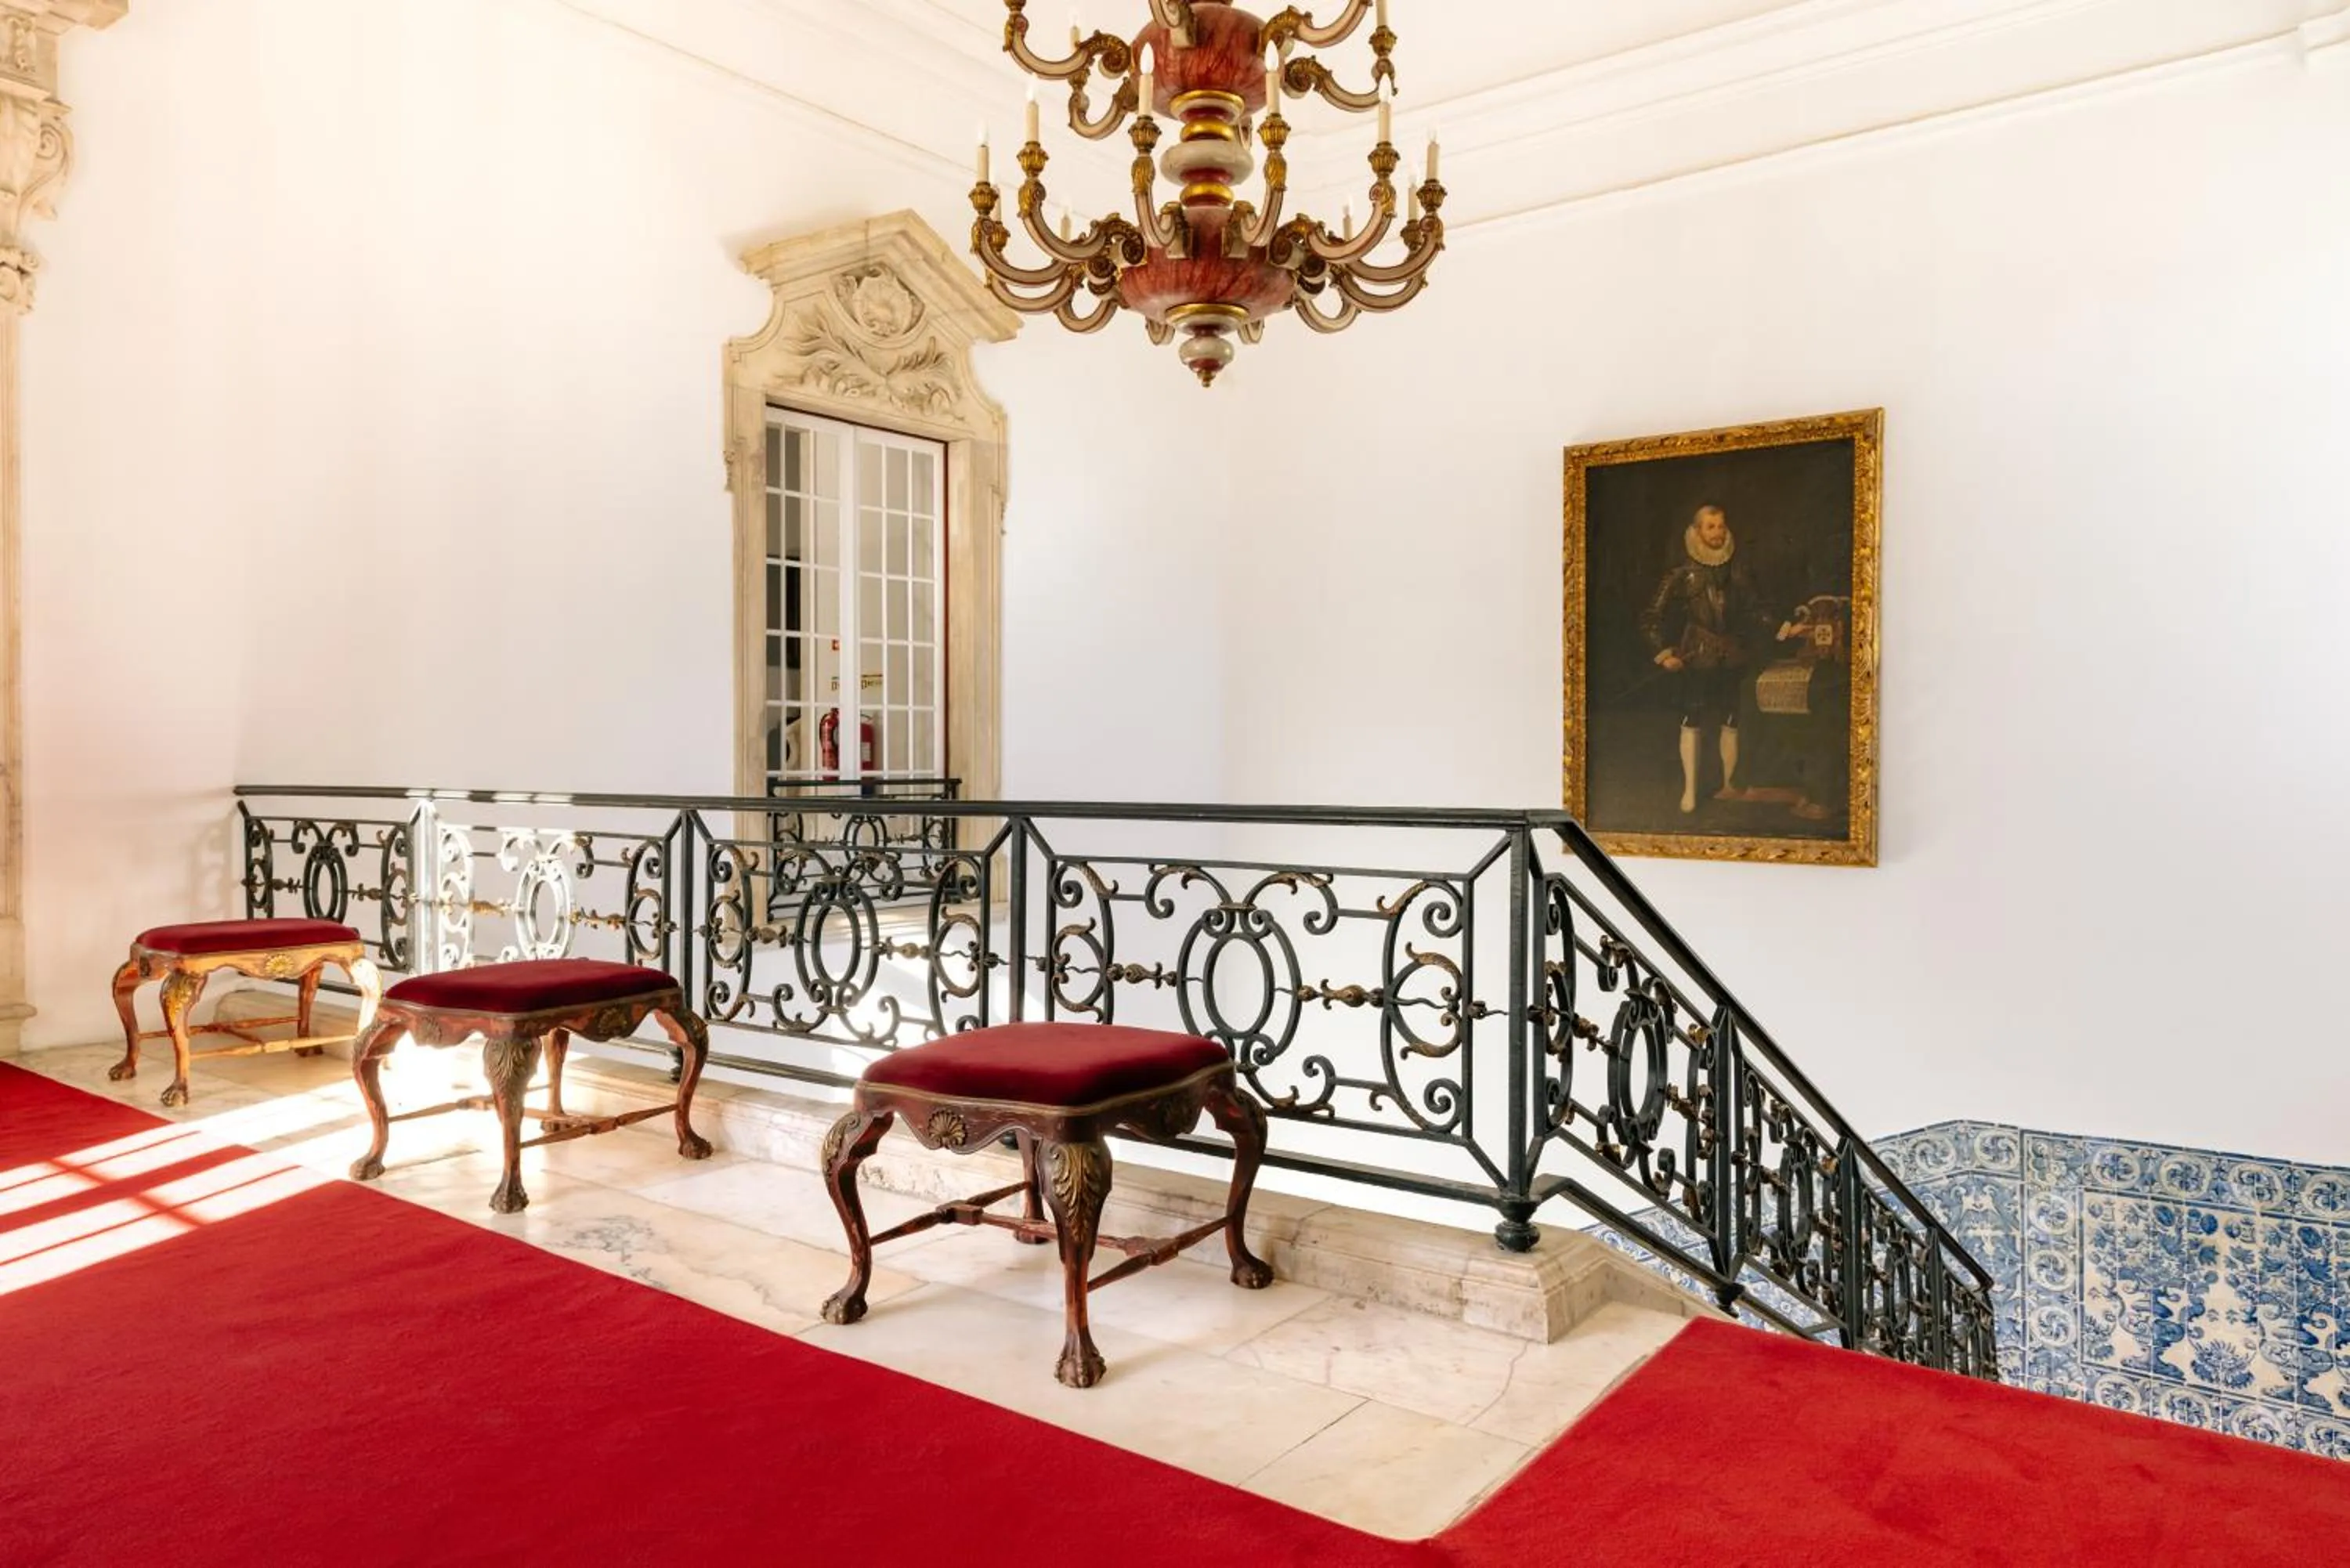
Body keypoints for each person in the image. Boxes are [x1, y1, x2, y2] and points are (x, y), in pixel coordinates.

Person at [1641, 504, 1768, 815]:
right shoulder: (1681, 574)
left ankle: (1729, 785)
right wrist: (1663, 653)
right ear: (1697, 531)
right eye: (1710, 527)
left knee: (1732, 719)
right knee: (1693, 719)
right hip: (1696, 658)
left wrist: (1783, 627)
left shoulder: (1739, 568)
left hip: (1733, 656)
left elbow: (1756, 609)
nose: (1717, 532)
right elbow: (1651, 617)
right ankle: (1690, 792)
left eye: (1721, 526)